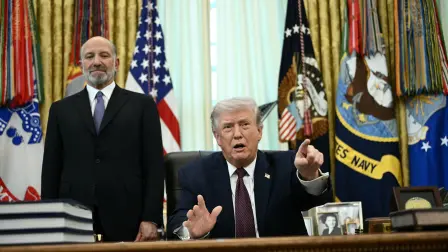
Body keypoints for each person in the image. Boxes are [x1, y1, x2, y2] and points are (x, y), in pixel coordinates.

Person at [41, 36, 164, 242]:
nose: (96, 61)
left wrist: (151, 218)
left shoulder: (142, 106)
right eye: (89, 56)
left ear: (115, 63)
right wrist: (49, 217)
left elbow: (154, 166)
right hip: (72, 217)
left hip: (128, 218)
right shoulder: (60, 109)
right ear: (82, 65)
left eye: (104, 55)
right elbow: (51, 168)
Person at [167, 97, 332, 239]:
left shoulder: (286, 165)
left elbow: (316, 200)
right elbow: (177, 223)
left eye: (244, 124)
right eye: (228, 127)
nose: (237, 134)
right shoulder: (195, 173)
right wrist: (192, 232)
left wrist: (309, 177)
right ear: (217, 137)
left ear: (259, 131)